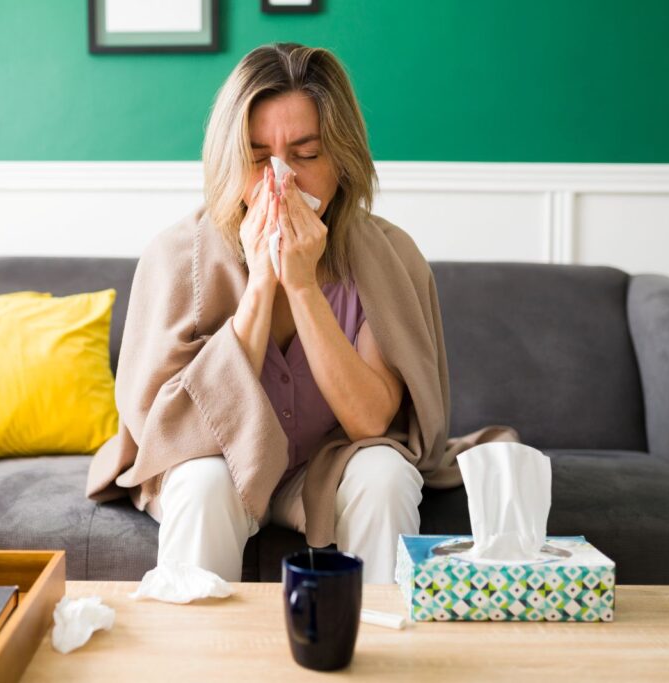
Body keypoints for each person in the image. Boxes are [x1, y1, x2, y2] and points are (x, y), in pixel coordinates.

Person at [85, 42, 519, 583]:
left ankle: (381, 656)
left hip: (328, 463)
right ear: (229, 159)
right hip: (214, 458)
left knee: (384, 474)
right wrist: (261, 287)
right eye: (257, 156)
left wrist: (303, 284)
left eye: (306, 155)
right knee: (200, 483)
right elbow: (170, 430)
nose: (280, 180)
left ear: (343, 157)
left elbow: (370, 421)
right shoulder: (178, 257)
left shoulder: (386, 258)